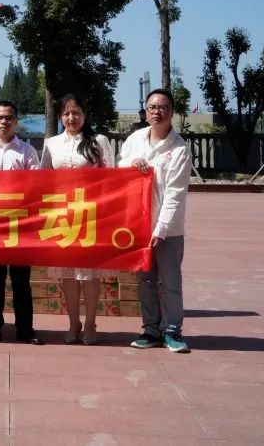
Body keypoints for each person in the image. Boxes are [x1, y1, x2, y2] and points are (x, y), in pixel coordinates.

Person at [119, 88, 191, 353]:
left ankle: (173, 331)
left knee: (170, 282)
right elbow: (119, 167)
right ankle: (150, 330)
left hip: (168, 230)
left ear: (171, 112)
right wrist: (131, 163)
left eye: (163, 107)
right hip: (138, 224)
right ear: (145, 111)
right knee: (145, 281)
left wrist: (160, 229)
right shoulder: (135, 139)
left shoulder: (180, 149)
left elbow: (174, 195)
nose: (157, 112)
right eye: (152, 107)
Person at [41, 93, 115, 345]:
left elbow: (112, 179)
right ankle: (73, 322)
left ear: (84, 114)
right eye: (66, 113)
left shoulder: (99, 141)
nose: (71, 118)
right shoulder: (51, 144)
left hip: (91, 214)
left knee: (90, 274)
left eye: (76, 112)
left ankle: (91, 321)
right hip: (62, 214)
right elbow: (44, 179)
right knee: (68, 273)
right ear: (60, 116)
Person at [0, 100, 43, 345]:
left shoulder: (27, 152)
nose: (4, 122)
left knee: (21, 280)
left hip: (20, 225)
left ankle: (25, 329)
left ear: (16, 120)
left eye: (9, 117)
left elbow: (35, 187)